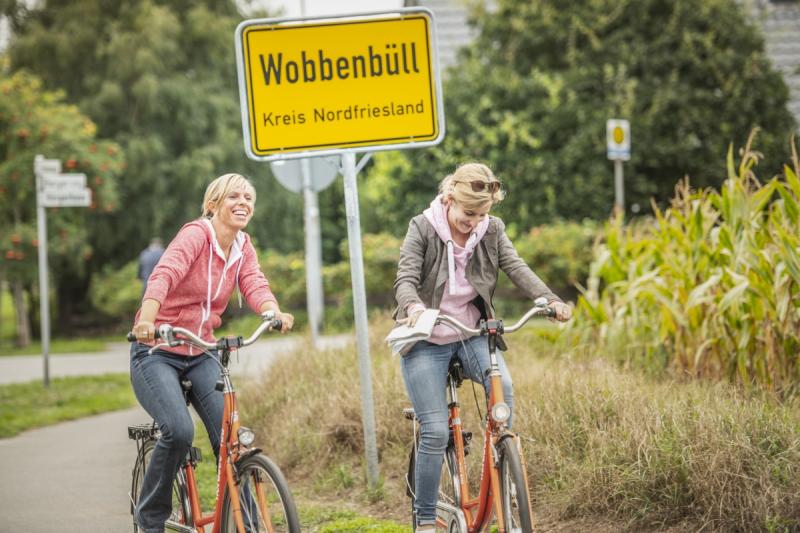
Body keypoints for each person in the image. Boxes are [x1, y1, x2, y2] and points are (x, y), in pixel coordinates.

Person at [392, 162, 571, 533]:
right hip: (426, 338)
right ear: (449, 198)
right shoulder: (422, 227)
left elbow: (516, 266)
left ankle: (503, 465)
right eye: (467, 213)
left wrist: (550, 299)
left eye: (481, 214)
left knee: (504, 391)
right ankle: (425, 520)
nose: (473, 222)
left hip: (471, 333)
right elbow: (405, 277)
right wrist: (414, 308)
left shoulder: (492, 230)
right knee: (436, 431)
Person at [130, 173, 294, 533]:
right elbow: (164, 274)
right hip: (157, 350)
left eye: (248, 198)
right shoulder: (196, 235)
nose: (243, 202)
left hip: (201, 349)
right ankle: (149, 519)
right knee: (178, 430)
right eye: (234, 196)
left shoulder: (242, 245)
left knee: (231, 440)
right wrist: (147, 319)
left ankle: (247, 525)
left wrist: (272, 311)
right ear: (212, 204)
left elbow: (254, 281)